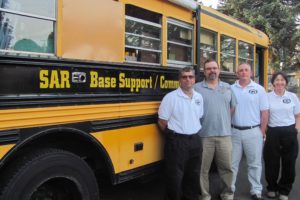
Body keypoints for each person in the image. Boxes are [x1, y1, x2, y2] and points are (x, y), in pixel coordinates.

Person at [158, 66, 203, 200]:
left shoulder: (199, 97)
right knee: (175, 177)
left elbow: (198, 116)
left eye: (190, 77)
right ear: (179, 80)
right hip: (177, 142)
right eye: (184, 77)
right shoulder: (170, 97)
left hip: (195, 140)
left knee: (193, 175)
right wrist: (173, 136)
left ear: (195, 79)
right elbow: (161, 121)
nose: (187, 80)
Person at [194, 59, 236, 200]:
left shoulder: (228, 87)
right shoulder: (196, 88)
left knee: (227, 168)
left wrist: (222, 119)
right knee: (202, 169)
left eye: (214, 68)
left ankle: (227, 194)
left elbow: (232, 107)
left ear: (219, 70)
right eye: (208, 68)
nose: (212, 71)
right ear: (204, 72)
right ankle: (204, 194)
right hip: (204, 136)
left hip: (225, 135)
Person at [231, 63, 269, 200]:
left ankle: (256, 190)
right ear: (237, 73)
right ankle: (230, 190)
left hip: (253, 131)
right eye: (240, 70)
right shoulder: (230, 89)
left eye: (246, 70)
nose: (243, 72)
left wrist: (262, 131)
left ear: (251, 73)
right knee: (231, 163)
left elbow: (264, 113)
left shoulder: (259, 89)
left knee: (254, 163)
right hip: (234, 131)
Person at [264, 72, 300, 200]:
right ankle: (272, 187)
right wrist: (264, 132)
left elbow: (297, 115)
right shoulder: (267, 96)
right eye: (277, 80)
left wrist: (296, 129)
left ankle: (284, 189)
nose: (280, 82)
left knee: (289, 162)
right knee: (271, 161)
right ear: (273, 82)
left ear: (286, 82)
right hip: (273, 132)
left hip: (289, 132)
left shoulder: (292, 96)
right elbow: (264, 115)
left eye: (282, 80)